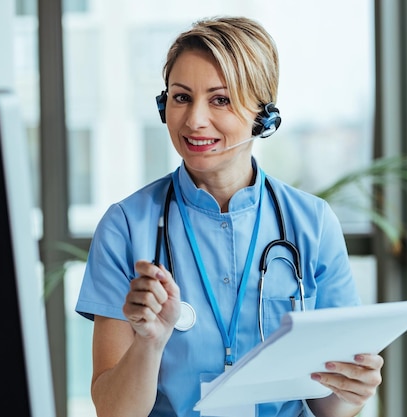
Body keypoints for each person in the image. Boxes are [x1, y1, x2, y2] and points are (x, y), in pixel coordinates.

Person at [75, 16, 384, 417]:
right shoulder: (126, 227)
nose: (194, 120)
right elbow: (115, 412)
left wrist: (352, 389)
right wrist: (149, 341)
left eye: (220, 99)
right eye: (181, 97)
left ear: (264, 116)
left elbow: (330, 407)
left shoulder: (313, 223)